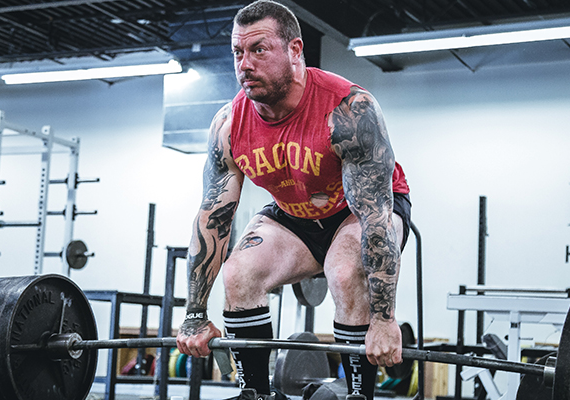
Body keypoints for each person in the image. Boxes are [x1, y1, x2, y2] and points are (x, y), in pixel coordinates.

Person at [175, 1, 412, 399]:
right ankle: (255, 394)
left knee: (343, 270)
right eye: (238, 52)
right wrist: (195, 316)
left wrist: (384, 319)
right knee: (239, 274)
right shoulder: (229, 125)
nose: (244, 64)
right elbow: (213, 217)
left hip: (358, 214)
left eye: (259, 50)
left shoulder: (349, 110)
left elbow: (374, 217)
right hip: (294, 216)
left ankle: (358, 394)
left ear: (295, 51)